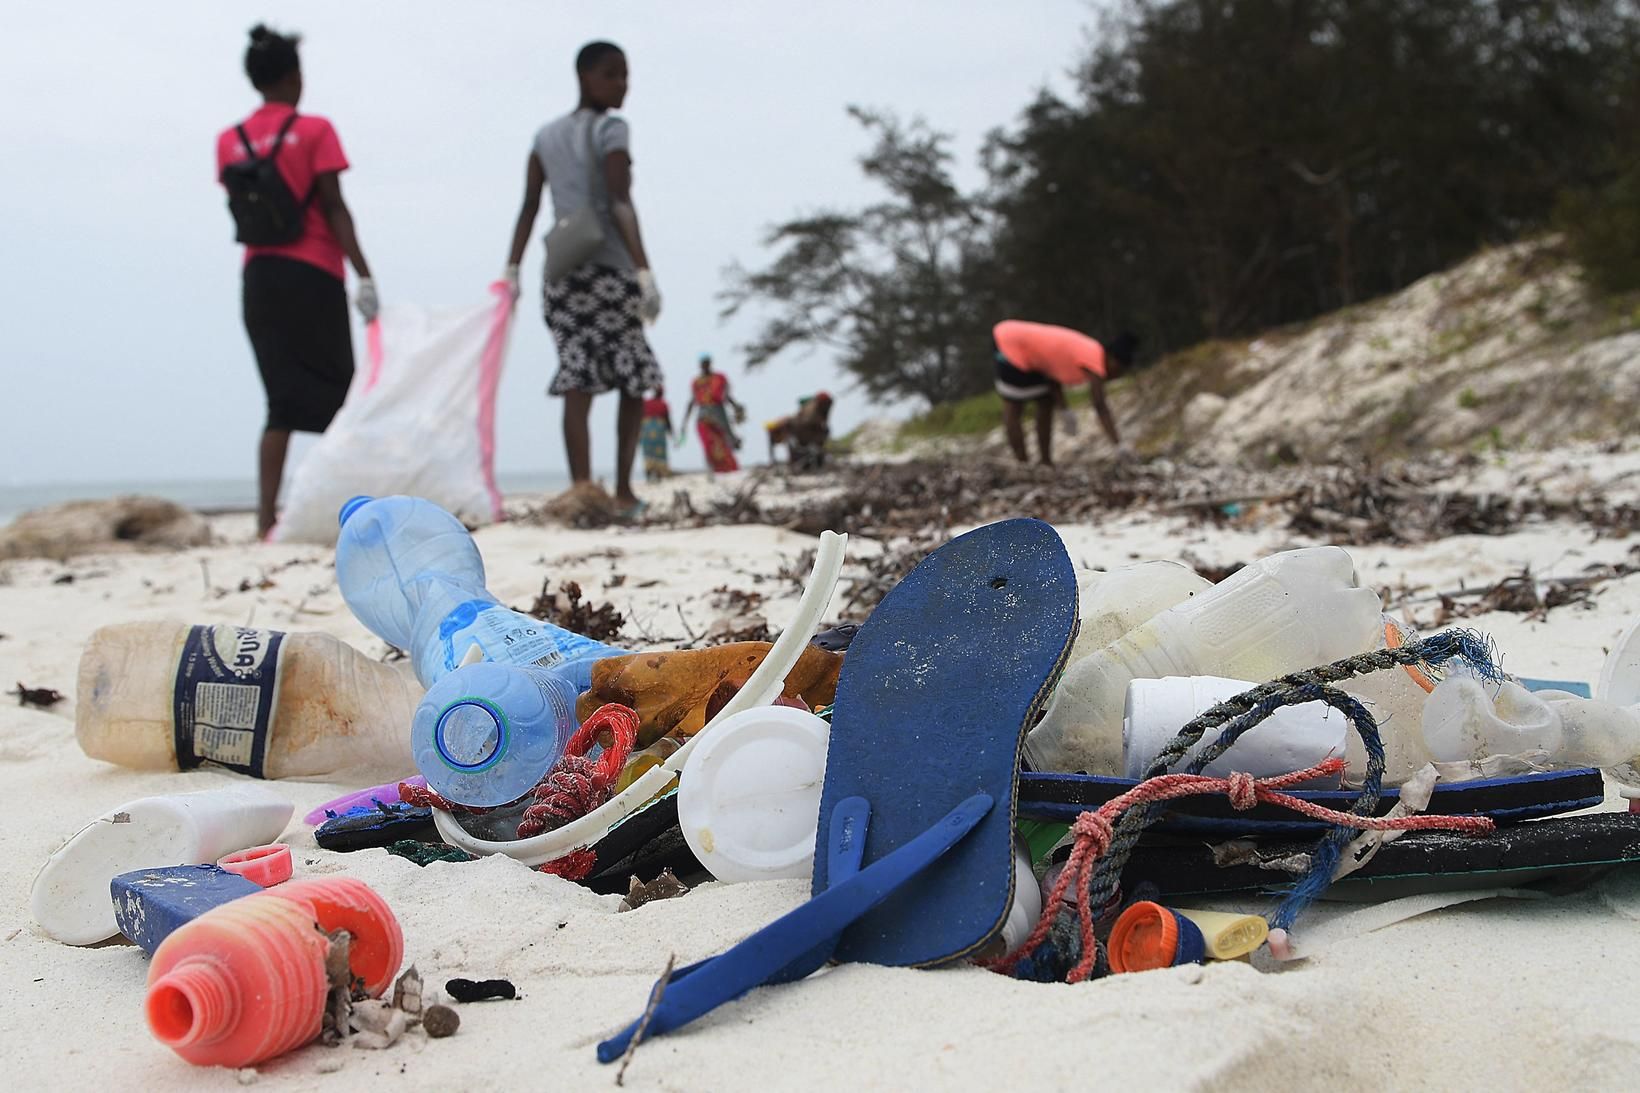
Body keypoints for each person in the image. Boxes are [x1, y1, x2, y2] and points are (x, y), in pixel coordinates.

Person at [216, 25, 376, 538]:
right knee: (340, 397)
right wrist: (364, 272)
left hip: (259, 278)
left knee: (279, 402)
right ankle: (350, 505)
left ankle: (266, 518)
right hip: (312, 272)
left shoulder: (229, 142)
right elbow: (333, 207)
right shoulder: (315, 131)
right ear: (293, 76)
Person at [502, 41, 662, 519]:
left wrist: (513, 266)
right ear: (585, 77)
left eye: (625, 75)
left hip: (561, 276)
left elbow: (531, 206)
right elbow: (619, 200)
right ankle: (623, 492)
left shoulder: (545, 136)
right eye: (612, 75)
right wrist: (644, 269)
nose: (622, 85)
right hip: (609, 270)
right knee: (633, 375)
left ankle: (582, 490)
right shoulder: (613, 129)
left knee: (579, 376)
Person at [991, 321, 1137, 466]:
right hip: (1010, 343)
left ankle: (1045, 462)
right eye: (1118, 370)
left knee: (1045, 401)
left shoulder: (1091, 350)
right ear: (1112, 359)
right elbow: (1100, 405)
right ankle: (1023, 465)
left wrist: (1064, 409)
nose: (1116, 375)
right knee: (1014, 404)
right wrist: (1119, 444)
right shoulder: (1094, 360)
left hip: (1022, 345)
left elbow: (1052, 379)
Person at [678, 354, 746, 475]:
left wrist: (736, 407)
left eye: (707, 362)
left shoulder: (719, 378)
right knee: (708, 443)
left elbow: (726, 396)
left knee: (724, 441)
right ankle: (713, 470)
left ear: (710, 363)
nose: (705, 365)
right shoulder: (696, 382)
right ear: (700, 365)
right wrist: (685, 422)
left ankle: (729, 469)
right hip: (703, 415)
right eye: (703, 363)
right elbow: (692, 401)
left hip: (718, 413)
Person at [765, 392, 833, 471]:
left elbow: (807, 422)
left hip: (805, 437)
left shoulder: (814, 410)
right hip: (802, 436)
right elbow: (807, 422)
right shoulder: (812, 410)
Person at [639, 385, 673, 481]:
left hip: (646, 430)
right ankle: (659, 474)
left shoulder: (646, 403)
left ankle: (649, 474)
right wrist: (671, 432)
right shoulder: (663, 404)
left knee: (648, 453)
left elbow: (640, 417)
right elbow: (667, 420)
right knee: (659, 453)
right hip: (659, 431)